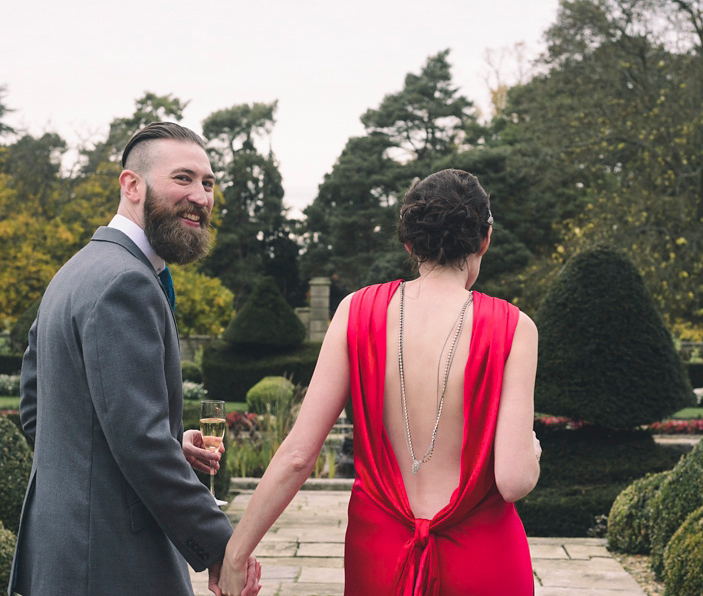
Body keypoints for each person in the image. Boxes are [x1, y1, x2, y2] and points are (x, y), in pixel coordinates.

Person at [218, 168, 541, 596]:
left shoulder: (356, 312)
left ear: (409, 243)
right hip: (484, 557)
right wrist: (531, 450)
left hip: (380, 553)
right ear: (485, 238)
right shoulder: (515, 327)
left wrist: (235, 554)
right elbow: (514, 480)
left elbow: (298, 455)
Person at [9, 122, 260, 596]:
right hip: (109, 562)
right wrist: (222, 545)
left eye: (208, 184)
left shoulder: (76, 269)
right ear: (132, 185)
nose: (201, 197)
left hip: (63, 554)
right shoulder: (127, 282)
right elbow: (138, 442)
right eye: (183, 179)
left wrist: (165, 445)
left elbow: (35, 410)